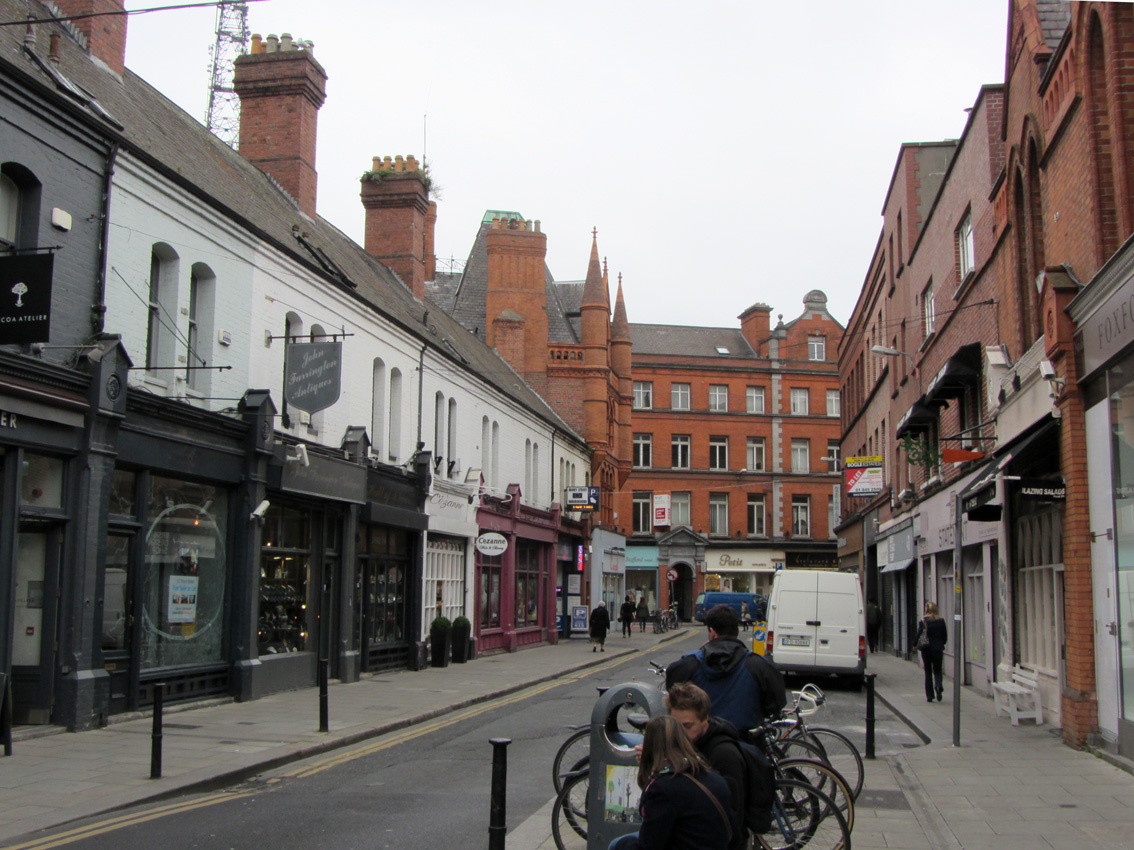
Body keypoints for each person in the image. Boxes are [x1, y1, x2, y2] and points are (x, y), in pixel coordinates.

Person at [609, 714, 738, 850]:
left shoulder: (664, 788)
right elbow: (735, 837)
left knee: (617, 843)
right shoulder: (715, 778)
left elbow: (649, 845)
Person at [666, 604, 787, 734]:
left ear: (712, 633)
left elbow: (672, 698)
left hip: (698, 746)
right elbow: (776, 704)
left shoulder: (688, 664)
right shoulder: (758, 665)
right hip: (745, 746)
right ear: (737, 631)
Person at [665, 683, 749, 850]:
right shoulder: (688, 745)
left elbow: (731, 818)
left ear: (705, 719)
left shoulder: (724, 755)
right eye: (676, 726)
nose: (681, 734)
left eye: (688, 726)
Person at [915, 601, 948, 702]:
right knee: (938, 670)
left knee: (928, 672)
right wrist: (941, 643)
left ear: (926, 610)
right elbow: (945, 637)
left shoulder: (923, 621)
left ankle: (930, 696)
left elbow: (919, 635)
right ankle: (938, 686)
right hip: (938, 649)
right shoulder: (941, 621)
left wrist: (914, 644)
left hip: (926, 650)